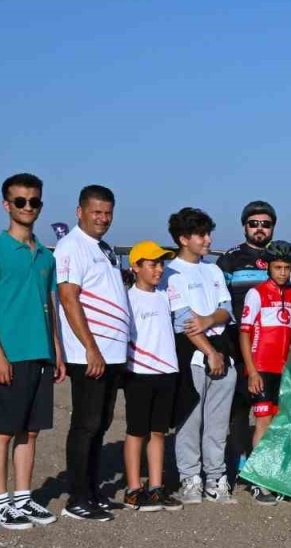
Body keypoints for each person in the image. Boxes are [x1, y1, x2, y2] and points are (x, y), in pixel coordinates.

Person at [0, 173, 65, 529]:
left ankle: (24, 499)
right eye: (20, 201)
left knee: (31, 431)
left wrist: (56, 349)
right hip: (8, 356)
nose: (28, 207)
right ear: (6, 205)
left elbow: (50, 304)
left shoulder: (44, 256)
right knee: (4, 430)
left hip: (40, 354)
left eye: (34, 201)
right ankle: (1, 504)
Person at [55, 184, 129, 522]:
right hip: (90, 354)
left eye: (108, 213)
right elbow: (69, 298)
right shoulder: (72, 247)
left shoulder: (104, 248)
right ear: (79, 211)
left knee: (101, 424)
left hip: (113, 353)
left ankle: (93, 491)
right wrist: (91, 349)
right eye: (97, 212)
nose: (103, 218)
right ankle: (77, 498)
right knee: (85, 424)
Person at [164, 207, 238, 505]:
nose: (208, 240)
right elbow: (183, 320)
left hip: (223, 349)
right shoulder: (170, 272)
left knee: (218, 423)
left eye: (209, 233)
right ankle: (190, 478)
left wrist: (208, 321)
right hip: (191, 354)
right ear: (183, 238)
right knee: (190, 420)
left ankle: (216, 479)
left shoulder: (214, 269)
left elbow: (226, 310)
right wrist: (209, 351)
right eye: (201, 234)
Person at [217, 200, 277, 479]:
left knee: (268, 406)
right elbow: (218, 299)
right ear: (245, 226)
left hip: (271, 343)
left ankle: (263, 461)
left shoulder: (280, 256)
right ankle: (239, 458)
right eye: (254, 224)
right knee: (239, 404)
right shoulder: (231, 258)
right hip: (237, 339)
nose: (260, 229)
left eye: (265, 224)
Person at [122, 240, 183, 513]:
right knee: (137, 432)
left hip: (167, 371)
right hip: (138, 373)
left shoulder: (165, 295)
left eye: (161, 263)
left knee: (159, 432)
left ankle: (156, 487)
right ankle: (134, 488)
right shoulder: (127, 298)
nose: (159, 269)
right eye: (152, 263)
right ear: (135, 267)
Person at [239, 240, 291, 505]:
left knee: (278, 425)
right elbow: (244, 334)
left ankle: (273, 474)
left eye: (287, 268)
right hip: (262, 367)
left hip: (283, 370)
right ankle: (257, 480)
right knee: (263, 422)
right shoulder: (257, 293)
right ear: (268, 267)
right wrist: (251, 371)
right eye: (278, 267)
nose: (283, 273)